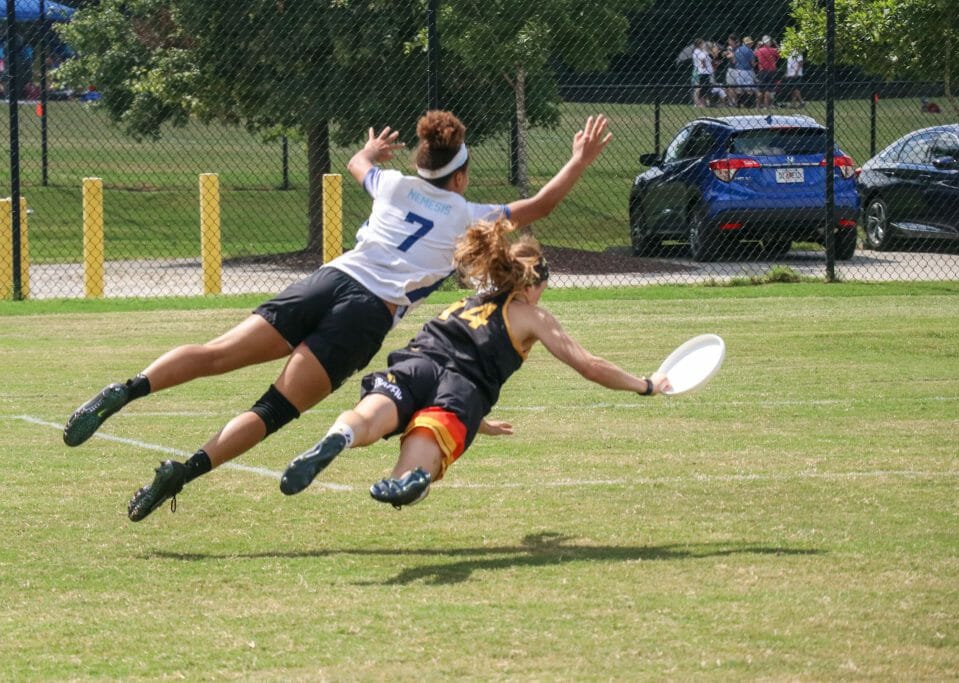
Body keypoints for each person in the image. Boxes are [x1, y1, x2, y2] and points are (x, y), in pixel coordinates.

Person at [61, 110, 612, 522]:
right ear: (461, 176)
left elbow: (358, 165)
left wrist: (372, 148)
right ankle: (181, 471)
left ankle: (128, 389)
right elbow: (540, 205)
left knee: (215, 354)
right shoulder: (467, 216)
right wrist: (580, 159)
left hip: (328, 280)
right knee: (273, 408)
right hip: (364, 316)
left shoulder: (393, 185)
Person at [277, 219, 672, 507]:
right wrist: (646, 384)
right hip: (462, 389)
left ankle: (340, 436)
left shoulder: (468, 303)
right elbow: (588, 365)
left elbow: (445, 358)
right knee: (421, 449)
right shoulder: (532, 316)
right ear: (534, 284)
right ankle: (410, 479)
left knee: (368, 416)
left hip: (417, 363)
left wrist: (480, 423)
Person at [728, 36, 757, 108]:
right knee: (749, 89)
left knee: (740, 88)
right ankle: (748, 104)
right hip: (747, 70)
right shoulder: (749, 50)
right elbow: (752, 63)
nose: (751, 44)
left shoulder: (738, 49)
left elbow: (734, 61)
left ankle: (738, 104)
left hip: (738, 70)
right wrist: (756, 63)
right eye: (750, 43)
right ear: (747, 43)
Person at [753, 35, 780, 109]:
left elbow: (754, 53)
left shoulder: (759, 50)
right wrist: (776, 44)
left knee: (760, 90)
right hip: (771, 72)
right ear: (769, 42)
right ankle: (766, 106)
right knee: (768, 89)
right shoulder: (773, 50)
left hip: (762, 71)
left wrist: (758, 46)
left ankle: (757, 106)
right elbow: (781, 53)